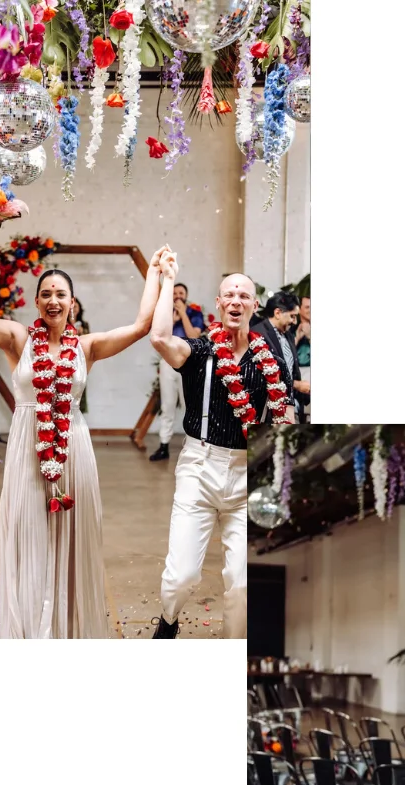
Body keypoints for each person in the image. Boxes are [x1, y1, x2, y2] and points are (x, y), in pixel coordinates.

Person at [0, 244, 168, 639]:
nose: (53, 300)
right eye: (45, 293)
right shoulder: (17, 338)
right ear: (36, 301)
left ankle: (68, 628)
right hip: (27, 447)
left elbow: (140, 326)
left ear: (72, 303)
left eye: (60, 294)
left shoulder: (87, 347)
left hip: (73, 446)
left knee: (72, 534)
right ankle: (32, 628)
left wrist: (155, 274)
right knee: (29, 532)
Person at [148, 254, 294, 639]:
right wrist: (167, 283)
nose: (235, 301)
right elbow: (160, 338)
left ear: (254, 306)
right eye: (228, 294)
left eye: (243, 296)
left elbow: (283, 415)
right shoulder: (199, 352)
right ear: (218, 304)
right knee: (182, 576)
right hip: (199, 466)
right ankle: (168, 619)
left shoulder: (271, 362)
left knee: (243, 582)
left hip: (248, 473)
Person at [148, 281, 205, 463]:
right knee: (167, 405)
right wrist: (171, 320)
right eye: (174, 293)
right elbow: (159, 337)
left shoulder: (194, 313)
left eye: (181, 293)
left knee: (190, 404)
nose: (177, 296)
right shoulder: (164, 313)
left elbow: (194, 336)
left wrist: (182, 314)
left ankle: (193, 446)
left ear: (186, 295)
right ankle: (164, 445)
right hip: (168, 362)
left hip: (189, 362)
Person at [253, 290, 310, 424]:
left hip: (292, 404)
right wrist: (296, 385)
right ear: (278, 313)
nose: (294, 321)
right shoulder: (258, 334)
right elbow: (260, 373)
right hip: (269, 407)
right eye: (292, 316)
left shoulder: (288, 335)